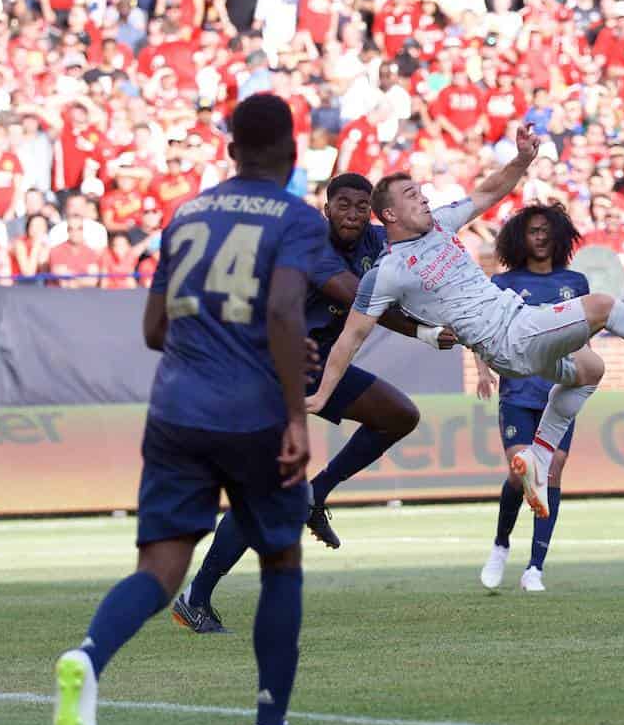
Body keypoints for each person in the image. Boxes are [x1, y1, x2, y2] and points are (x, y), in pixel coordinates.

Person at [52, 94, 327, 725]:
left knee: (160, 567)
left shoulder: (187, 213)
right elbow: (287, 312)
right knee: (281, 560)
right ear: (292, 154)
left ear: (230, 150)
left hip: (176, 410)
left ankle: (89, 656)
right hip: (254, 414)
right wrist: (295, 408)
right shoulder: (296, 217)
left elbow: (153, 330)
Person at [307, 123, 624, 521]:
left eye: (422, 192)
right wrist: (323, 395)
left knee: (591, 370)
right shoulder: (388, 271)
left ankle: (538, 456)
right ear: (388, 216)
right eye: (412, 196)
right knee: (602, 306)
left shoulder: (441, 224)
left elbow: (489, 192)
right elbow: (349, 340)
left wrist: (521, 159)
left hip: (518, 328)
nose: (424, 198)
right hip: (507, 338)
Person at [170, 172, 458, 634]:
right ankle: (196, 598)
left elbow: (424, 248)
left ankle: (316, 493)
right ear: (326, 209)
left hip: (318, 363)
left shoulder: (379, 240)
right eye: (342, 205)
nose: (351, 214)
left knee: (398, 415)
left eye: (361, 206)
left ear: (373, 211)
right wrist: (425, 331)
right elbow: (360, 298)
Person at [475, 204, 588, 593]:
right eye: (532, 231)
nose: (539, 237)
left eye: (545, 230)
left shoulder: (576, 281)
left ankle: (534, 568)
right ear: (519, 238)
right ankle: (500, 544)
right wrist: (482, 369)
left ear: (557, 235)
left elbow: (583, 336)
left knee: (552, 472)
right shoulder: (504, 283)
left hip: (559, 393)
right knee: (521, 471)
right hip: (519, 391)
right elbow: (483, 329)